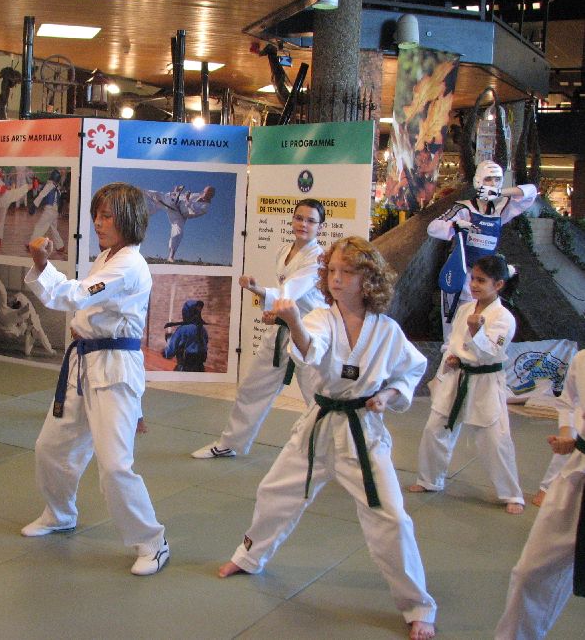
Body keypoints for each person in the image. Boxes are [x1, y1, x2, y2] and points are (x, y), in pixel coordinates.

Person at [218, 237, 437, 640]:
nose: (336, 278)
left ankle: (417, 604)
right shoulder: (320, 318)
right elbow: (311, 349)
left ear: (368, 279)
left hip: (362, 433)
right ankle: (249, 556)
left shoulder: (387, 331)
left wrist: (389, 395)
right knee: (275, 491)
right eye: (332, 270)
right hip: (318, 426)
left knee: (391, 517)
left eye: (347, 272)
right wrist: (294, 321)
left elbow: (410, 370)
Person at [21, 182, 168, 576]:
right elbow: (86, 304)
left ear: (128, 219)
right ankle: (59, 514)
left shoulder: (129, 264)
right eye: (97, 216)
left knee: (115, 465)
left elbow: (77, 295)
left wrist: (41, 264)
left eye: (107, 216)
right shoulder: (107, 255)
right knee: (50, 447)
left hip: (114, 368)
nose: (99, 223)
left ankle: (152, 542)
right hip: (84, 362)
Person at [191, 198, 327, 459]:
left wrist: (257, 290)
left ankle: (337, 455)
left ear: (320, 226)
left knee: (320, 397)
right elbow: (286, 298)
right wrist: (273, 312)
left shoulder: (318, 258)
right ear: (292, 220)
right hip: (282, 331)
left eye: (311, 221)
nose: (303, 224)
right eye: (299, 218)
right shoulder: (284, 251)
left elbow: (290, 292)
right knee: (252, 388)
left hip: (310, 335)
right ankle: (230, 443)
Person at [409, 255, 525, 514]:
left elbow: (489, 353)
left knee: (494, 439)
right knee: (435, 428)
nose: (473, 285)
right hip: (457, 377)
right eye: (473, 278)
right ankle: (430, 479)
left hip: (485, 381)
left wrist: (476, 331)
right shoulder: (465, 309)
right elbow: (452, 342)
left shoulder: (504, 318)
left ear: (498, 285)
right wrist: (450, 358)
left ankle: (511, 493)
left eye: (481, 280)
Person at [494, 348, 585, 639]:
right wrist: (568, 434)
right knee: (531, 572)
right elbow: (569, 401)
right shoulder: (582, 360)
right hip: (577, 474)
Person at [428, 160, 535, 339]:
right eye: (488, 179)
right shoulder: (464, 207)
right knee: (453, 327)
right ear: (478, 181)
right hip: (460, 274)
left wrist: (501, 192)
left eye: (497, 180)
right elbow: (433, 228)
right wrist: (456, 225)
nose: (493, 183)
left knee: (480, 324)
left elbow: (530, 192)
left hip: (486, 278)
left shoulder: (500, 210)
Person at [0, 275, 56, 357]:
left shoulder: (22, 299)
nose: (11, 302)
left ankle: (51, 351)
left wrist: (51, 351)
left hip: (28, 328)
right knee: (11, 328)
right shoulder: (18, 304)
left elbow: (44, 339)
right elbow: (15, 304)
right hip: (24, 325)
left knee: (31, 346)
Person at [145, 184, 214, 262]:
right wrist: (177, 192)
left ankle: (171, 256)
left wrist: (187, 199)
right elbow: (182, 197)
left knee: (178, 233)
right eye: (203, 191)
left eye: (205, 193)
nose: (202, 193)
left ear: (210, 195)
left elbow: (193, 212)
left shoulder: (205, 207)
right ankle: (138, 193)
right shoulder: (198, 195)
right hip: (175, 204)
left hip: (180, 215)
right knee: (158, 196)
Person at [162, 299, 209, 371]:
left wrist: (167, 344)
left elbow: (169, 353)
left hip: (184, 369)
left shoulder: (182, 330)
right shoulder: (203, 329)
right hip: (200, 369)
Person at [28, 169, 65, 252]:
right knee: (54, 229)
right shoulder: (57, 188)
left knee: (39, 227)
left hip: (49, 210)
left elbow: (42, 195)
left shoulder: (49, 185)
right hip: (55, 212)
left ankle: (32, 245)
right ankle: (60, 246)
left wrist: (34, 205)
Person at [0, 169, 30, 249]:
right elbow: (1, 190)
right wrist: (5, 188)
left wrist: (7, 188)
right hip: (5, 200)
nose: (3, 174)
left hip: (3, 202)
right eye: (1, 173)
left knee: (1, 222)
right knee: (18, 192)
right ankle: (30, 186)